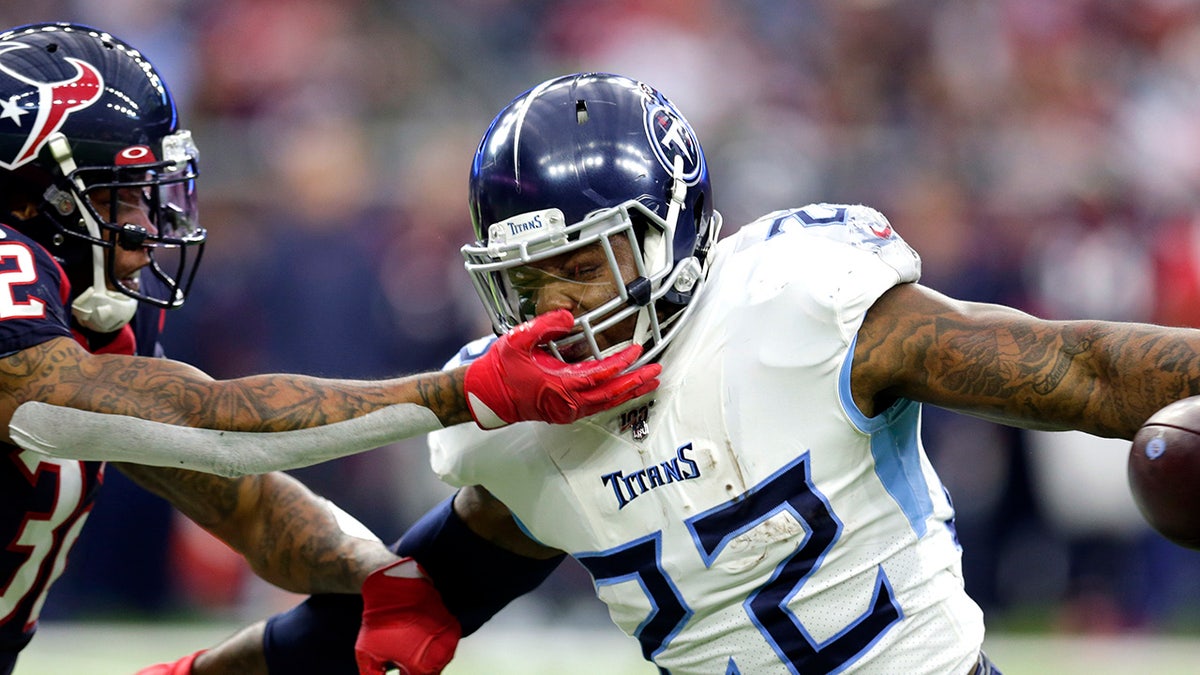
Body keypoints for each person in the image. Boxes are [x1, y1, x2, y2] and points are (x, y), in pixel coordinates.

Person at [148, 71, 1200, 675]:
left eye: (585, 260)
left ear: (679, 228)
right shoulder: (517, 431)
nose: (561, 308)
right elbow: (403, 603)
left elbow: (1081, 364)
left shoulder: (803, 304)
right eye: (528, 278)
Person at [0, 27, 660, 675]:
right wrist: (460, 392)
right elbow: (209, 423)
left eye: (148, 196)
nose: (146, 230)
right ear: (26, 199)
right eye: (116, 197)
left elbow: (247, 504)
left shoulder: (93, 311)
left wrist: (379, 574)